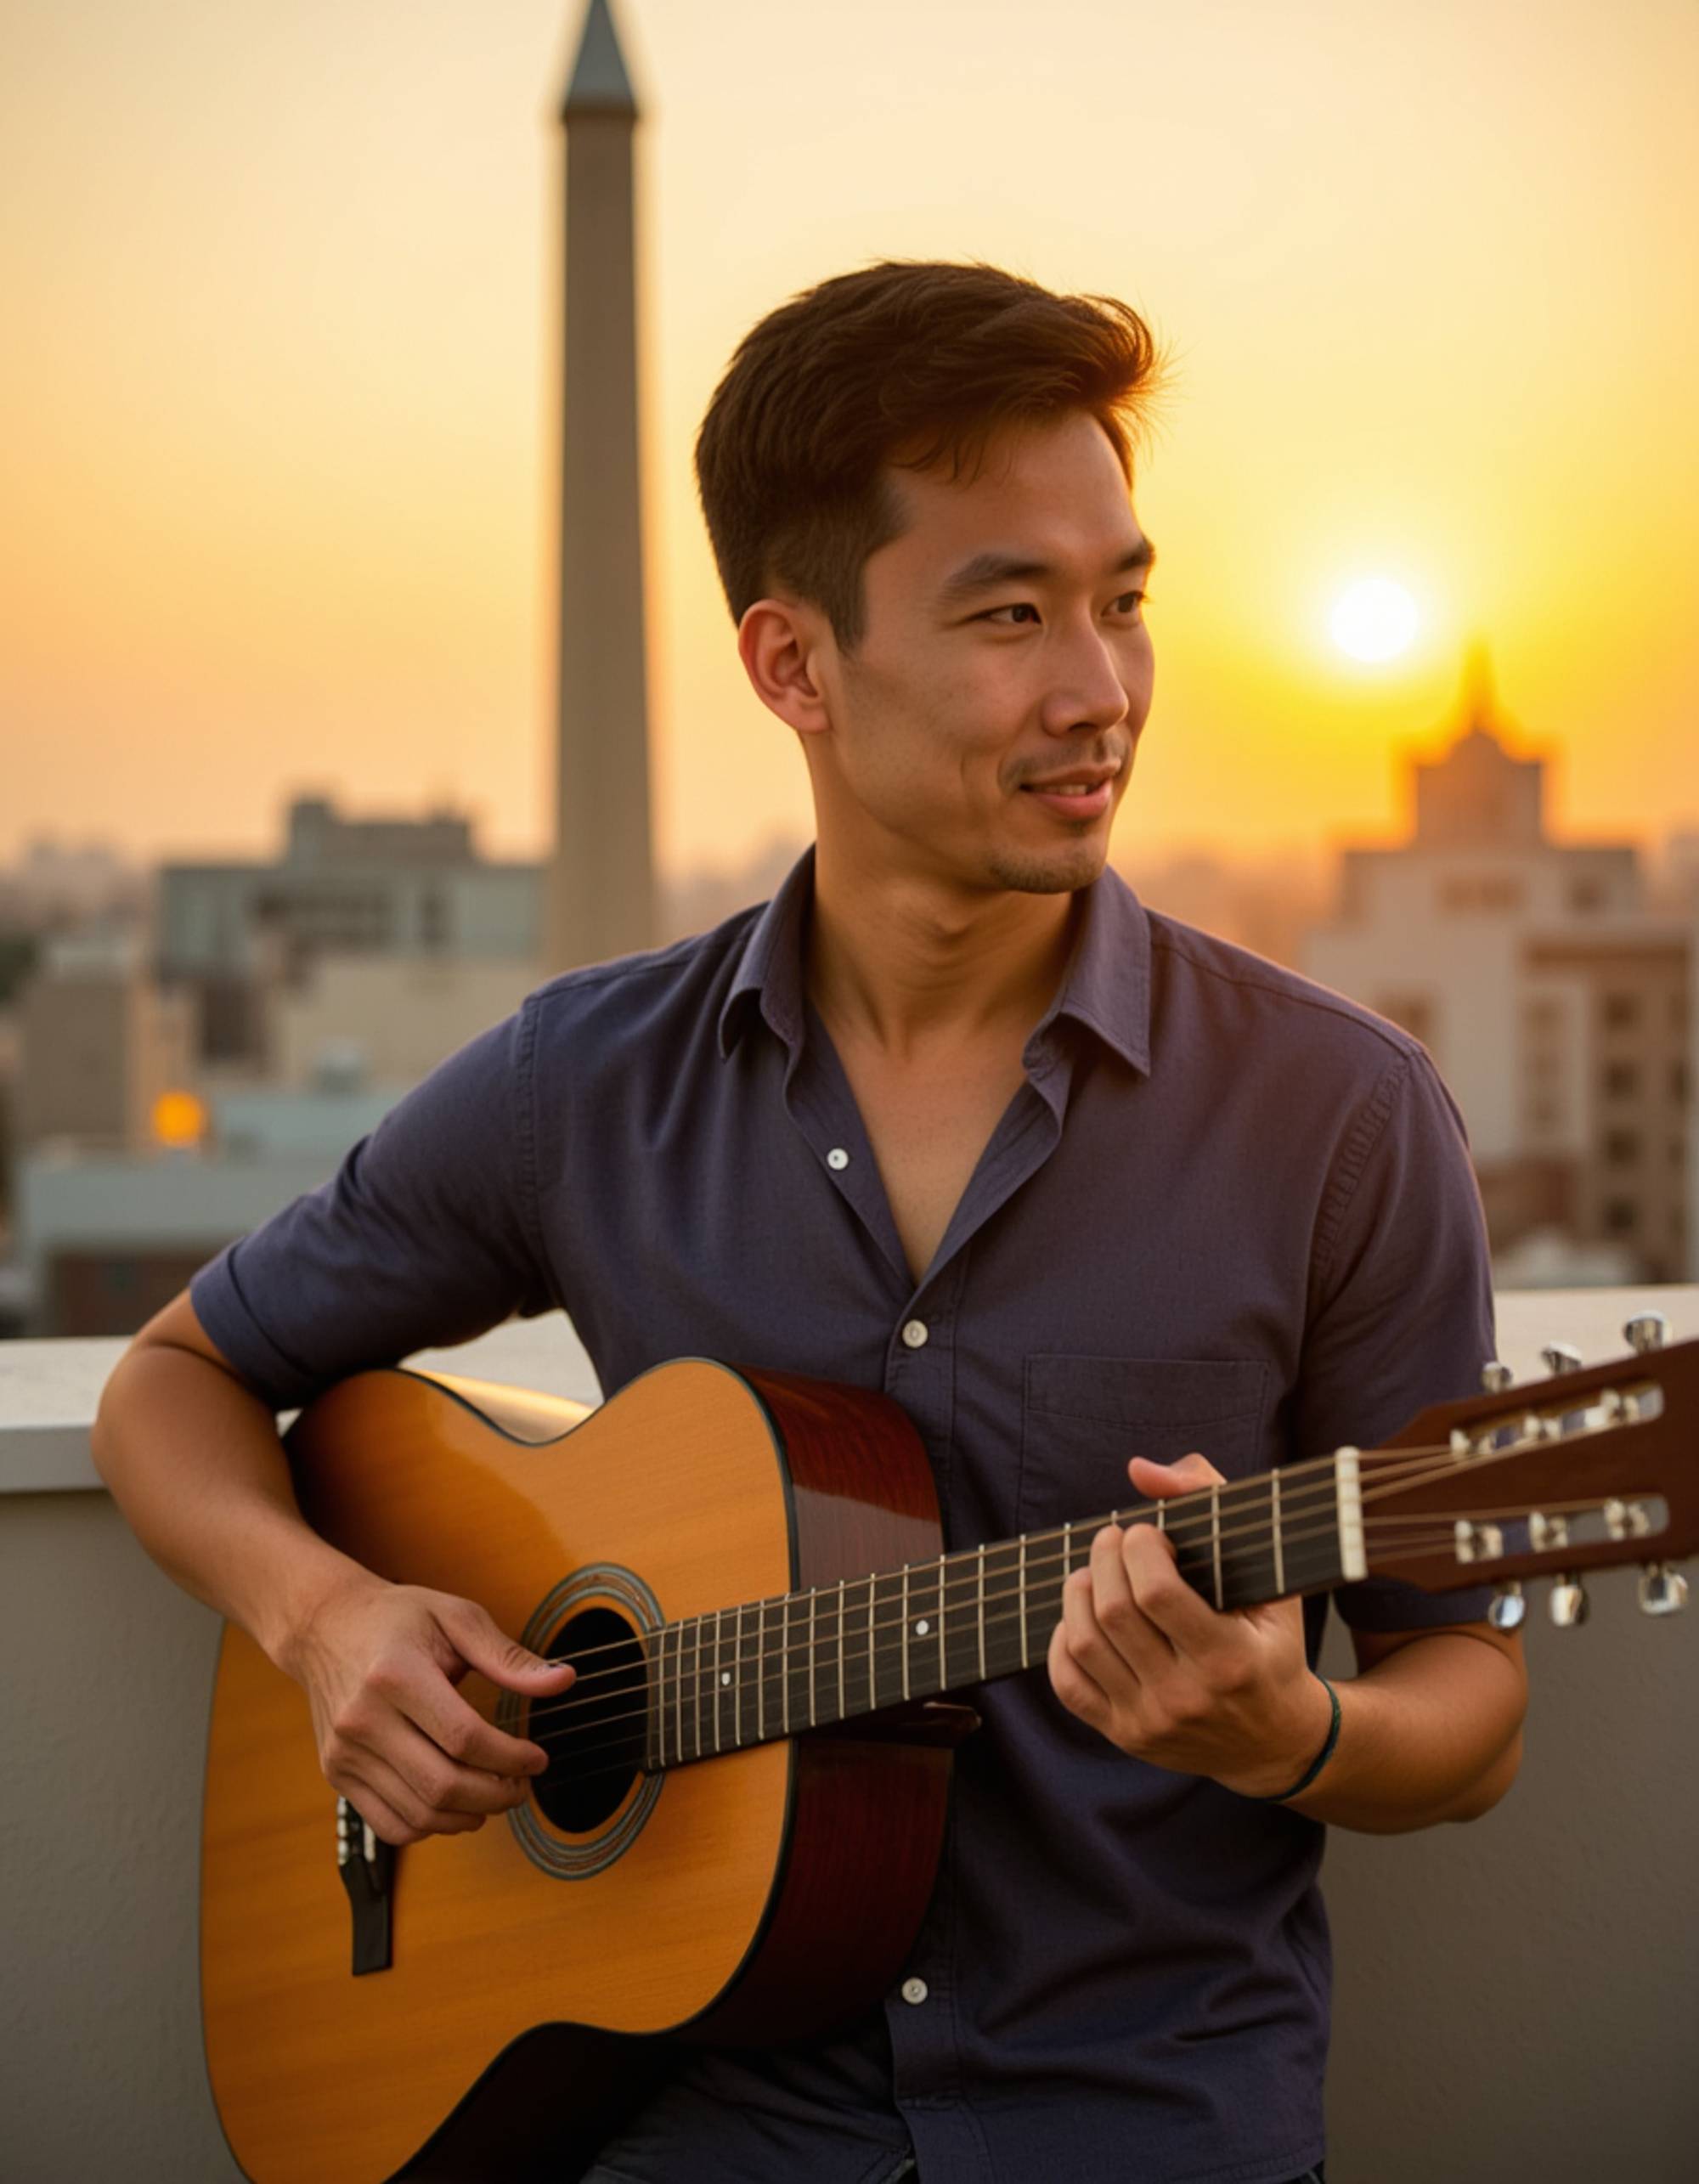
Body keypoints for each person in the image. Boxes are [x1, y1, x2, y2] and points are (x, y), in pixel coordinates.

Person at [93, 260, 1527, 2184]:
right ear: (794, 667)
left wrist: (1288, 1735)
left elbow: (1470, 1689)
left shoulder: (1340, 1115)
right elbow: (175, 1379)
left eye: (1122, 602)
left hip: (1142, 2121)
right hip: (684, 2114)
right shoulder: (582, 1084)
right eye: (1009, 614)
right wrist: (332, 1619)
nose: (1096, 689)